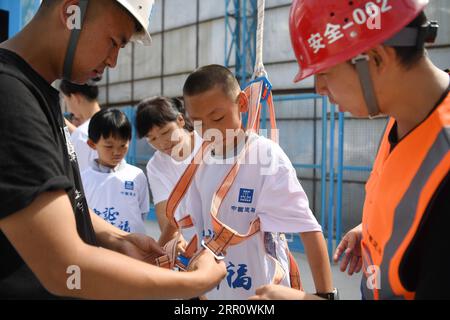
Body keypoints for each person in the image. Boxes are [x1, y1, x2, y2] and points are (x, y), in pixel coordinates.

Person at [0, 0, 225, 299]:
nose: (113, 61)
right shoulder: (10, 96)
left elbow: (62, 206)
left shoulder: (35, 93)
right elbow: (64, 266)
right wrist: (193, 284)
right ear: (71, 12)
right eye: (113, 42)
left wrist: (117, 239)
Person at [250, 0, 450, 300]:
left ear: (374, 59)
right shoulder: (406, 116)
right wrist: (372, 230)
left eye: (324, 73)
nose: (318, 88)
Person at [182, 64, 334, 300]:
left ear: (242, 103)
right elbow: (200, 231)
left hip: (262, 292)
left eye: (217, 117)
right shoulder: (199, 161)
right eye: (198, 122)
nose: (208, 129)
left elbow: (308, 228)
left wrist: (326, 295)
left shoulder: (266, 157)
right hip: (217, 292)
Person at [136, 96, 200, 249]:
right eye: (152, 139)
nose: (162, 143)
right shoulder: (156, 166)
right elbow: (165, 214)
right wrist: (175, 242)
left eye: (165, 133)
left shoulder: (208, 143)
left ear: (180, 120)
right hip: (191, 244)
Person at [82, 108, 149, 234]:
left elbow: (142, 213)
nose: (117, 152)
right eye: (109, 146)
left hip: (133, 247)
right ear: (92, 144)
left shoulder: (136, 175)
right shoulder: (83, 179)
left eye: (123, 145)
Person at [60, 80, 100, 172]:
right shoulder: (113, 124)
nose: (69, 109)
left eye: (66, 101)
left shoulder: (81, 135)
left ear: (74, 98)